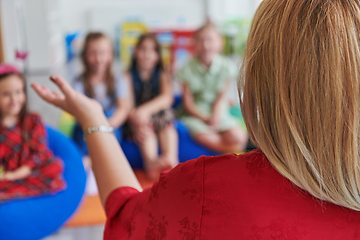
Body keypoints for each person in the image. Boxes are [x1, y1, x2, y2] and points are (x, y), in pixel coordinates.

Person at [32, 0, 360, 238]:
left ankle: (163, 158)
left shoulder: (204, 187)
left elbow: (125, 219)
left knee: (165, 126)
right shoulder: (124, 74)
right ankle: (156, 158)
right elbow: (163, 102)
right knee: (162, 127)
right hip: (162, 122)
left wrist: (97, 117)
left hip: (156, 124)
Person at [177, 22, 248, 152]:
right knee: (204, 136)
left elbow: (220, 98)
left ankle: (229, 147)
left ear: (219, 43)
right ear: (195, 44)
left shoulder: (226, 67)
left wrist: (215, 116)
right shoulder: (186, 69)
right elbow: (188, 104)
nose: (205, 45)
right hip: (196, 115)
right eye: (200, 40)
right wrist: (204, 118)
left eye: (210, 40)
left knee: (239, 136)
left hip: (219, 111)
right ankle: (229, 150)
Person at [0, 64, 65, 201]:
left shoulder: (33, 120)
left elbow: (40, 152)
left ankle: (14, 192)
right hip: (8, 174)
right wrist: (9, 175)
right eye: (6, 94)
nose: (14, 99)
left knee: (55, 167)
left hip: (32, 169)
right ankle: (15, 192)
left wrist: (20, 173)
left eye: (18, 92)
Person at [125, 33, 178, 180]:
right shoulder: (127, 75)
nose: (147, 54)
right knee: (144, 129)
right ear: (135, 52)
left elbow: (167, 98)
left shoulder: (161, 73)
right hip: (137, 119)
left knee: (167, 122)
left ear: (157, 56)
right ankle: (151, 163)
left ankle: (171, 159)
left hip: (157, 116)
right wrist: (138, 118)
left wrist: (145, 110)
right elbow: (127, 106)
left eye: (152, 50)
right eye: (143, 49)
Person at [72, 32, 131, 157]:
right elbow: (77, 111)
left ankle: (107, 158)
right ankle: (88, 160)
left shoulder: (118, 79)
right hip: (87, 124)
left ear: (110, 55)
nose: (98, 59)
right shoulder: (79, 82)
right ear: (85, 56)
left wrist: (106, 126)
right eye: (93, 53)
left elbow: (123, 108)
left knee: (110, 116)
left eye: (103, 53)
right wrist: (93, 125)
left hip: (110, 124)